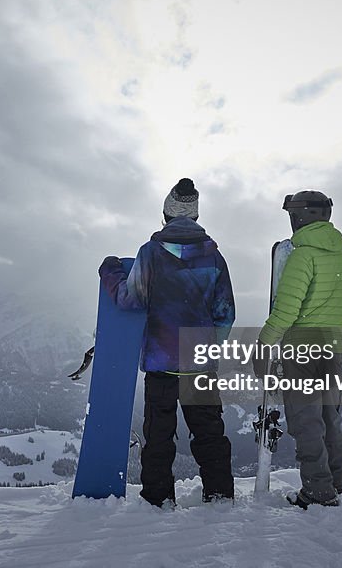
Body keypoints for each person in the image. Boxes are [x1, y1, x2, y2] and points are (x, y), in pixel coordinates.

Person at [99, 178, 236, 507]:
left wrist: (110, 272)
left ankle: (159, 499)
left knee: (159, 434)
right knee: (208, 431)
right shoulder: (213, 257)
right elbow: (225, 314)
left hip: (162, 363)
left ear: (166, 214)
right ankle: (219, 495)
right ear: (196, 216)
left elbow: (129, 300)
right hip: (199, 364)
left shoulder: (151, 254)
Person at [253, 190, 342, 508]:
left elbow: (286, 311)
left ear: (299, 217)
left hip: (301, 351)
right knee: (330, 418)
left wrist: (263, 347)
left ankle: (318, 491)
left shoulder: (302, 256)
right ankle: (340, 483)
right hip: (332, 350)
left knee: (306, 421)